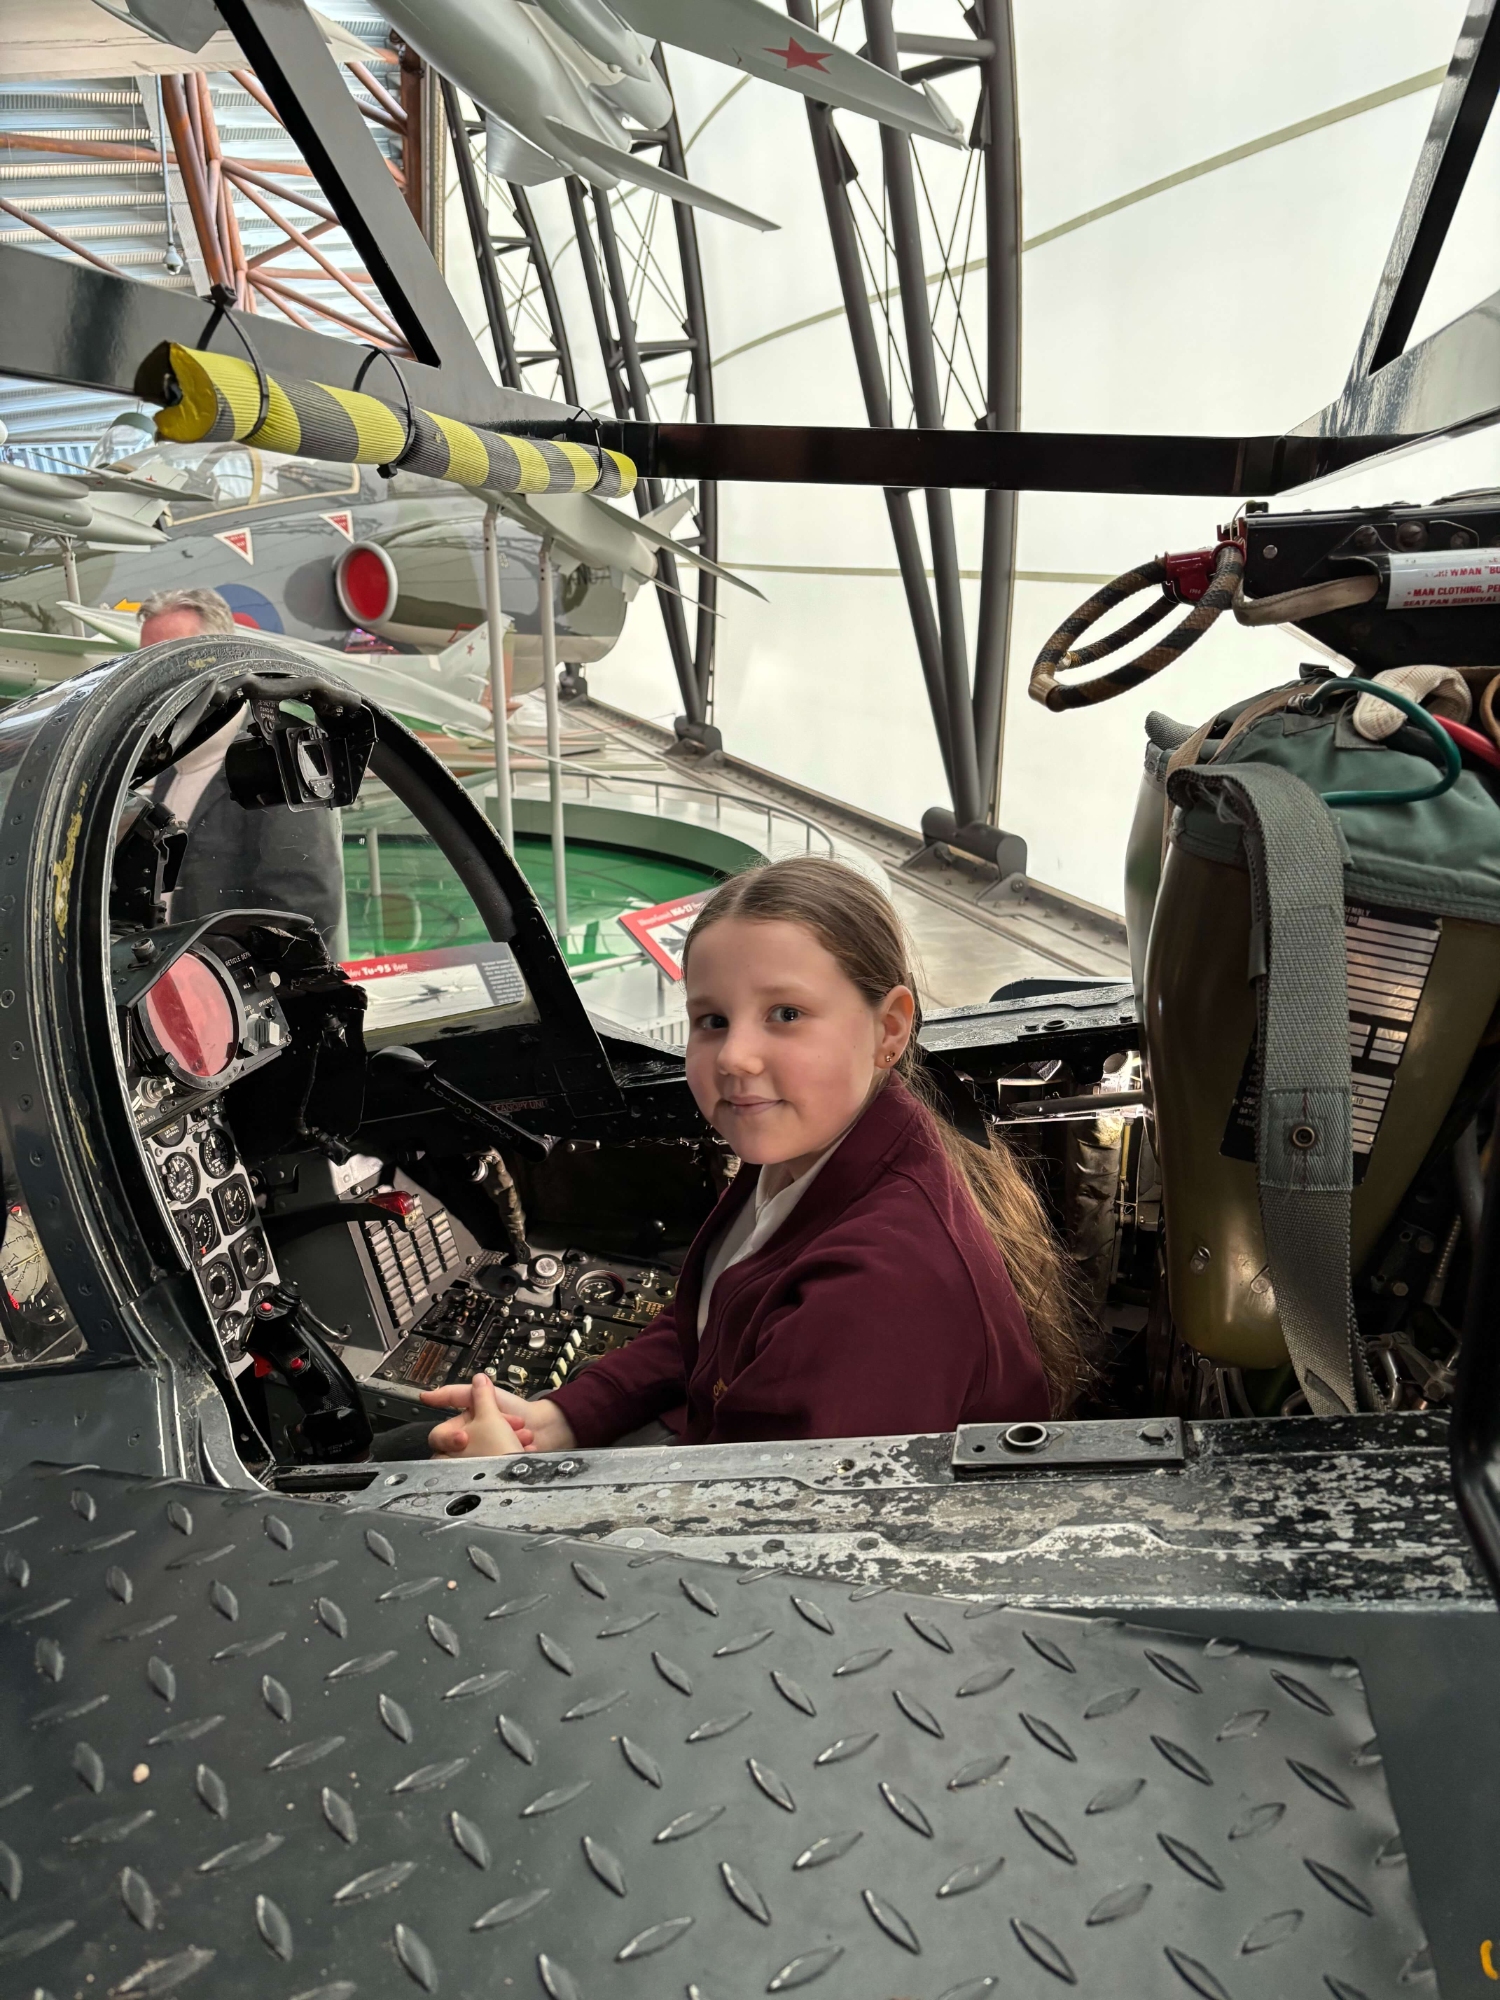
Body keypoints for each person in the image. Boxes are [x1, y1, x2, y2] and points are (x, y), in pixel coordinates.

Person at [420, 855, 1087, 1460]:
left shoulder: (879, 1293)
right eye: (712, 1020)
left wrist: (506, 1485)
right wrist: (563, 1417)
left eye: (786, 1014)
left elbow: (751, 1531)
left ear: (888, 1028)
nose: (736, 1057)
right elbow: (709, 1323)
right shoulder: (809, 1150)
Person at [137, 587, 347, 951]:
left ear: (222, 661)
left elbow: (304, 909)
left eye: (173, 661)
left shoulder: (278, 760)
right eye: (149, 665)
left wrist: (217, 976)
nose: (158, 681)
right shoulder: (170, 765)